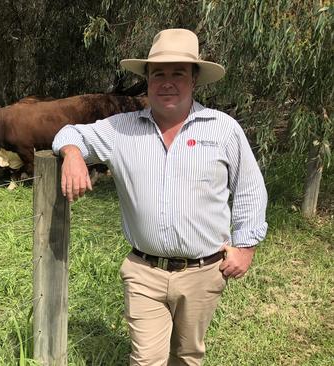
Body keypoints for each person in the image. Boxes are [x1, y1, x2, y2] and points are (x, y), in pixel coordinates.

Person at [52, 28, 268, 365]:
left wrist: (246, 246)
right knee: (146, 360)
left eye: (178, 73)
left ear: (194, 79)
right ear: (148, 80)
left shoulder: (222, 128)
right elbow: (68, 132)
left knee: (187, 354)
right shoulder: (120, 129)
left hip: (204, 271)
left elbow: (249, 188)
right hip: (144, 271)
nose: (168, 82)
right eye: (159, 74)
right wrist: (73, 154)